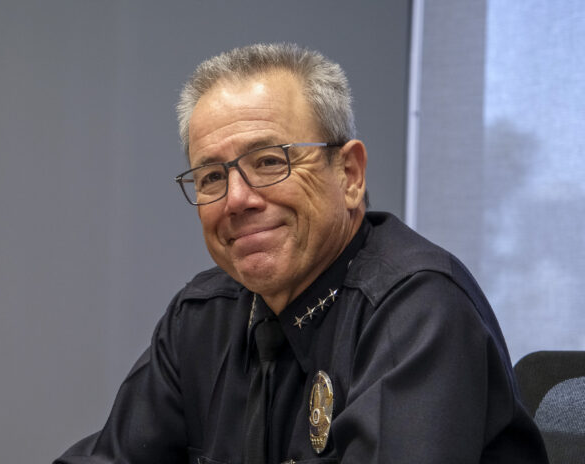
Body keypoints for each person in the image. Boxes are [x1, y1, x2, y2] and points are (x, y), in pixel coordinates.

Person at [54, 43, 548, 463]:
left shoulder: (416, 313)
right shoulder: (201, 317)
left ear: (349, 175)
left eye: (269, 161)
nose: (237, 200)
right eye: (211, 176)